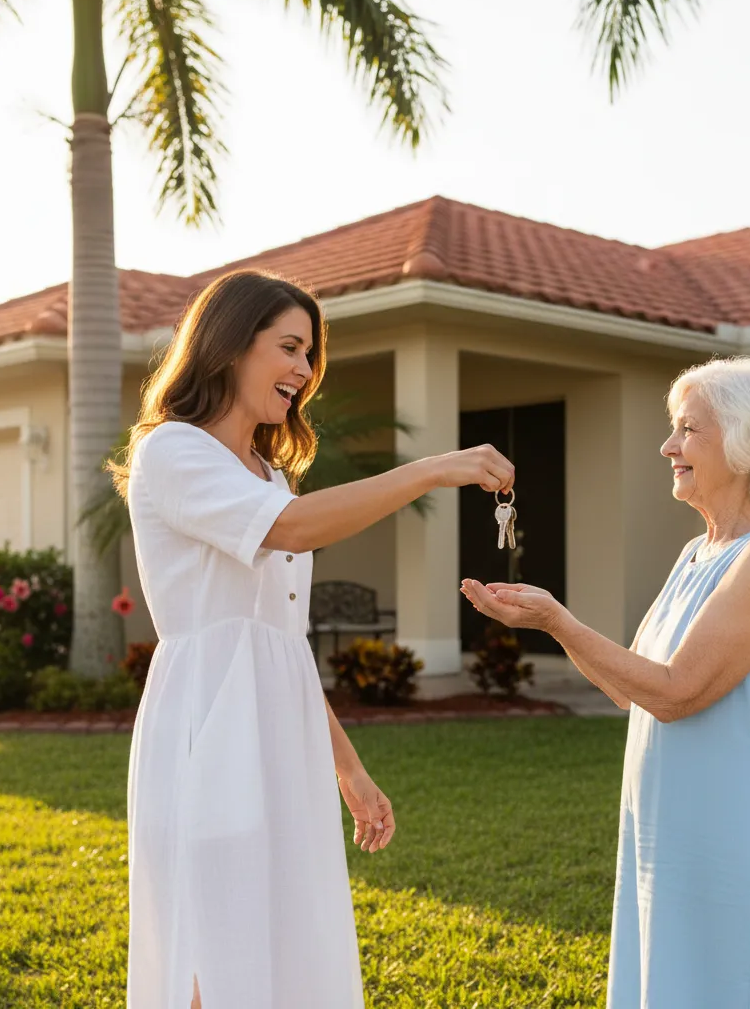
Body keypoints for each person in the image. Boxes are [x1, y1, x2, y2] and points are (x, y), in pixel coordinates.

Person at [109, 270, 515, 1009]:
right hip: (209, 729)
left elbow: (280, 644)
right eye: (289, 348)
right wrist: (431, 470)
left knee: (284, 940)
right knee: (211, 938)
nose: (303, 370)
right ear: (229, 345)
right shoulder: (173, 451)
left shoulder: (269, 475)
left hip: (282, 737)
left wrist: (349, 771)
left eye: (309, 355)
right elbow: (288, 532)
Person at [462, 355, 750, 1009]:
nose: (668, 446)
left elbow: (677, 692)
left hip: (735, 828)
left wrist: (559, 619)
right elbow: (631, 687)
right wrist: (552, 626)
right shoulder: (696, 554)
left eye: (688, 430)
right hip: (667, 823)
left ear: (745, 444)